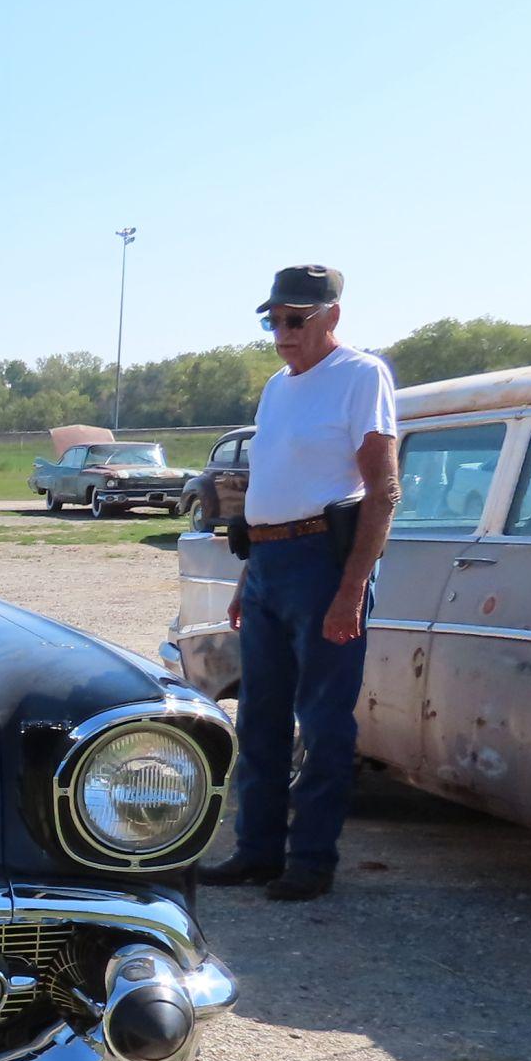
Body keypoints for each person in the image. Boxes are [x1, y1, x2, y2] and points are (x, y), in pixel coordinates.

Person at [200, 265, 398, 902]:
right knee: (258, 718)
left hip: (323, 564)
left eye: (295, 320)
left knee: (322, 721)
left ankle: (311, 860)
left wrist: (350, 589)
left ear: (331, 317)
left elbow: (383, 490)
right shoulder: (276, 388)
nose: (281, 332)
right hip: (270, 564)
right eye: (272, 320)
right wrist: (247, 575)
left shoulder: (361, 376)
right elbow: (269, 485)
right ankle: (256, 851)